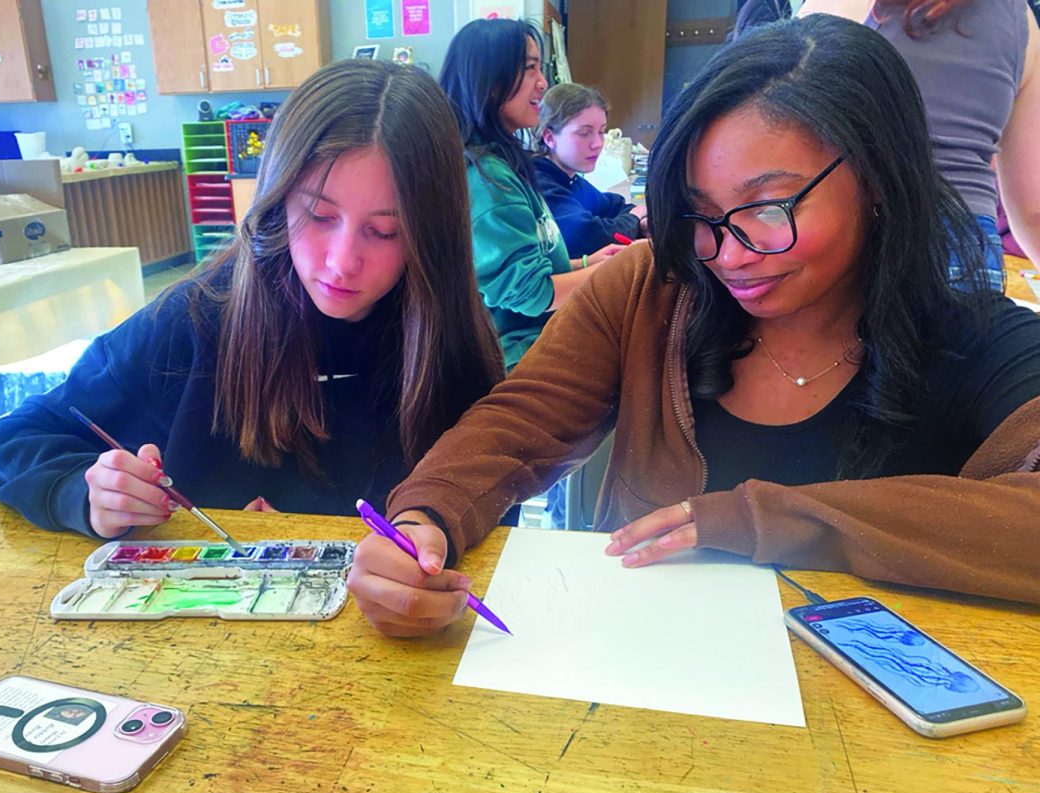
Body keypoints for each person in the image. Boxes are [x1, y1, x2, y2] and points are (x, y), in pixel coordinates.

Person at [345, 15, 1040, 637]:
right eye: (700, 214)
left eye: (769, 206)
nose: (728, 254)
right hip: (647, 717)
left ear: (880, 177)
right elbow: (520, 423)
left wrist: (763, 521)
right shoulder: (652, 291)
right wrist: (425, 519)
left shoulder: (978, 342)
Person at [0, 60, 504, 540]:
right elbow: (24, 437)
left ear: (431, 236)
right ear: (278, 200)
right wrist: (87, 492)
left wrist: (432, 539)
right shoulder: (196, 318)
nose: (342, 262)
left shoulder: (448, 338)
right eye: (319, 217)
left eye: (385, 231)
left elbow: (492, 497)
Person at [799, 0, 1040, 285]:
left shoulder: (845, 7)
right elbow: (1033, 209)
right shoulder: (1020, 19)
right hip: (971, 251)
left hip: (865, 239)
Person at [439, 18, 624, 370]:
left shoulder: (503, 162)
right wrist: (618, 271)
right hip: (520, 358)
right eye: (530, 68)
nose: (543, 83)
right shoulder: (485, 176)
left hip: (541, 339)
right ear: (489, 80)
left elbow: (525, 267)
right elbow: (531, 293)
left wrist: (587, 263)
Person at [533, 83, 647, 261]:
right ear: (549, 137)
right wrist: (635, 218)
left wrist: (639, 219)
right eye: (584, 133)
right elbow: (589, 236)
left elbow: (613, 205)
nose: (598, 143)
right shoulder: (540, 182)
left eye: (601, 132)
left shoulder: (570, 179)